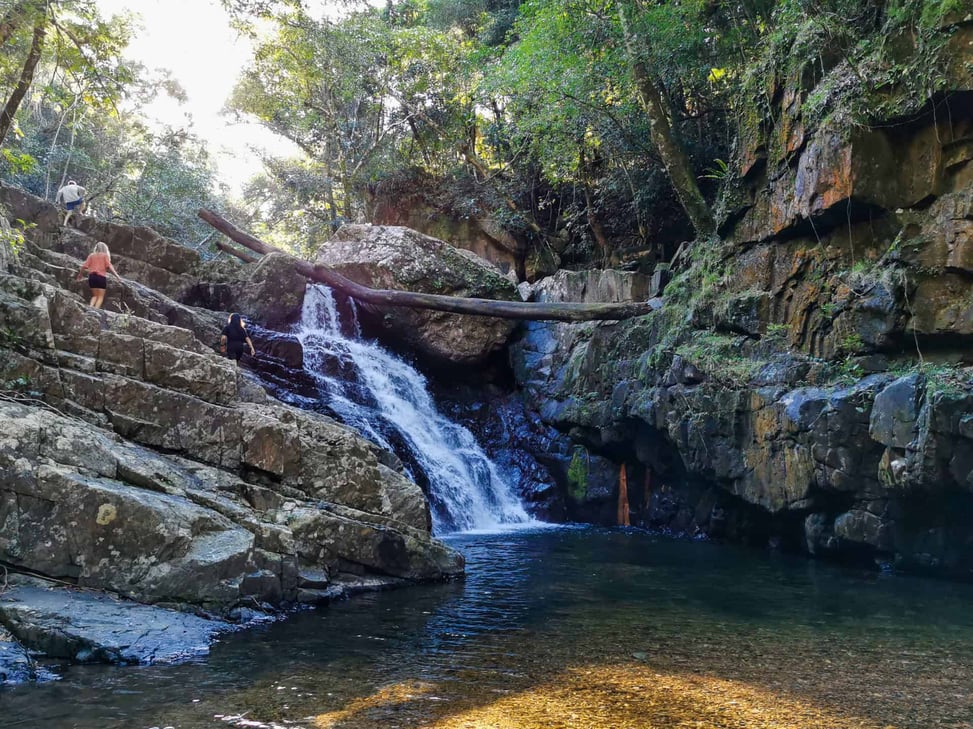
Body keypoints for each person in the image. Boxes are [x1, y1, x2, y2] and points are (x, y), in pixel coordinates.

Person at [75, 241, 119, 309]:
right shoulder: (105, 256)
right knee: (100, 296)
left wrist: (80, 275)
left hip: (92, 277)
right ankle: (95, 310)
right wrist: (117, 276)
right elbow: (110, 267)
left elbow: (84, 266)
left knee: (95, 295)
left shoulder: (91, 255)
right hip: (101, 277)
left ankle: (90, 307)